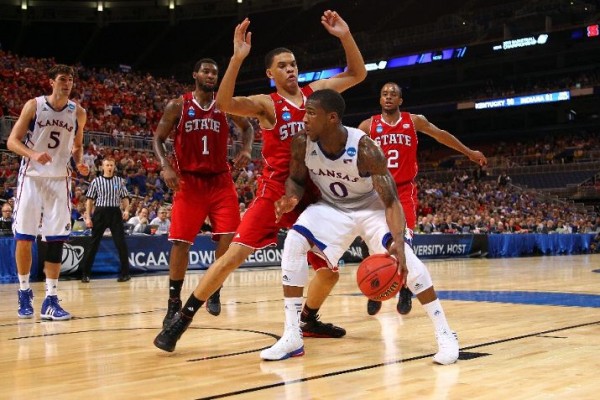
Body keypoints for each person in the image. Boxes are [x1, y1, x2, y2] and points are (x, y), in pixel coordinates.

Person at [153, 10, 367, 352]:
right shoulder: (268, 105)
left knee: (329, 271)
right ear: (271, 73)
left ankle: (308, 320)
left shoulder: (318, 93)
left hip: (313, 196)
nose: (290, 68)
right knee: (233, 255)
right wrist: (237, 59)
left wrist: (345, 35)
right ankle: (183, 317)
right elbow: (223, 104)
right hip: (276, 190)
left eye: (293, 63)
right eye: (282, 65)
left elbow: (358, 73)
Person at [261, 89, 458, 363]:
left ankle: (445, 334)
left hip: (371, 207)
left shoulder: (365, 148)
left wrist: (399, 242)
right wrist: (291, 196)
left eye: (311, 114)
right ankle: (292, 334)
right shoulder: (301, 142)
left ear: (331, 118)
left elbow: (390, 201)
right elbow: (295, 178)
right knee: (294, 241)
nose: (303, 119)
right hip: (333, 208)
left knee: (406, 260)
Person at [358, 82, 488, 316]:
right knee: (371, 243)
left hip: (404, 191)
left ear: (400, 101)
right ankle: (375, 289)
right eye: (384, 94)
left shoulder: (414, 121)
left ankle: (406, 288)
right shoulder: (368, 126)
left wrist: (469, 152)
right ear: (380, 100)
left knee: (404, 243)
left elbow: (440, 136)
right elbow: (352, 156)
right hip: (376, 190)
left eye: (393, 94)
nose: (388, 97)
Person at [153, 58, 254, 324]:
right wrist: (166, 166)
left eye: (215, 73)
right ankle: (173, 301)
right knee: (180, 242)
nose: (211, 76)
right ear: (195, 74)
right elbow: (158, 138)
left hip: (220, 180)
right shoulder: (179, 105)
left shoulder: (225, 105)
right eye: (206, 71)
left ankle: (214, 289)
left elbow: (248, 127)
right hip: (190, 181)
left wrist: (245, 149)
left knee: (230, 238)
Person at [7, 64, 89, 320]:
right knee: (24, 236)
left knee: (55, 239)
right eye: (62, 79)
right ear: (51, 81)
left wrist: (80, 161)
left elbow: (77, 145)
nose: (67, 84)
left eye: (71, 80)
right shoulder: (34, 105)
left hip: (59, 179)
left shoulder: (79, 112)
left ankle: (51, 300)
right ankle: (23, 291)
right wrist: (33, 154)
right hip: (31, 177)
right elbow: (12, 141)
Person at [80, 157, 131, 283]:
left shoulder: (119, 181)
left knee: (121, 244)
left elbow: (125, 197)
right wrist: (88, 217)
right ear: (103, 167)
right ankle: (85, 274)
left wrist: (126, 210)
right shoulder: (96, 181)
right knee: (94, 244)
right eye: (107, 165)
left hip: (115, 212)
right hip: (100, 212)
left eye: (111, 165)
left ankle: (125, 274)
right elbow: (90, 200)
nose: (109, 167)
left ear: (114, 167)